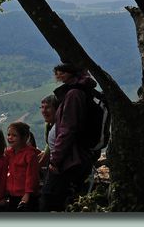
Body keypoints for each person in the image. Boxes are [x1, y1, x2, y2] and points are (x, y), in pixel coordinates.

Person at [39, 62, 97, 212]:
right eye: (57, 71)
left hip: (67, 161)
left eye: (62, 71)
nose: (58, 74)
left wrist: (56, 160)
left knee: (49, 201)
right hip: (70, 159)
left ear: (72, 72)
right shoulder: (79, 91)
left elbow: (67, 130)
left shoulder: (74, 94)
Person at [0, 121, 40, 211]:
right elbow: (3, 173)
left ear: (24, 138)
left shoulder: (30, 155)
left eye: (14, 135)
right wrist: (1, 195)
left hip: (25, 196)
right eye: (9, 134)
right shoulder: (9, 153)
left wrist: (27, 193)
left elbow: (32, 175)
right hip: (12, 194)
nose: (10, 138)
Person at [37, 94, 58, 168]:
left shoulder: (60, 128)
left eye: (47, 107)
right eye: (42, 107)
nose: (44, 111)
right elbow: (49, 145)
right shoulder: (49, 125)